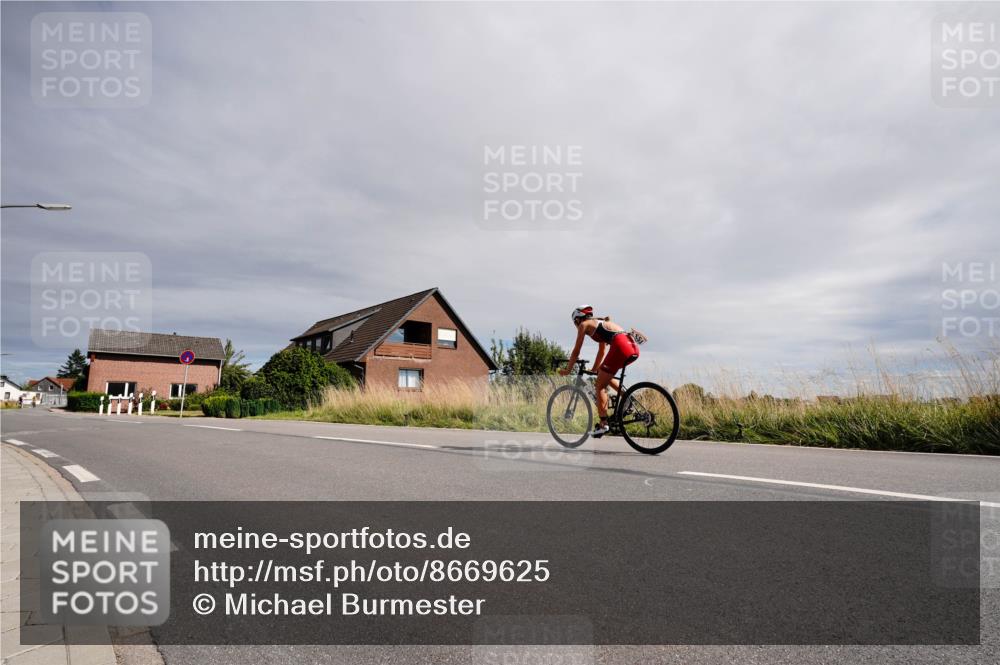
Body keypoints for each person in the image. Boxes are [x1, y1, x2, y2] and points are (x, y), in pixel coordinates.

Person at [559, 305, 640, 437]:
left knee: (599, 385)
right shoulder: (600, 323)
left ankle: (603, 424)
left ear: (578, 319)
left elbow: (576, 351)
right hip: (631, 347)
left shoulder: (584, 324)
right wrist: (595, 369)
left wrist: (568, 370)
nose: (576, 326)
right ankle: (627, 397)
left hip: (620, 346)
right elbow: (602, 351)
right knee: (603, 375)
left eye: (575, 323)